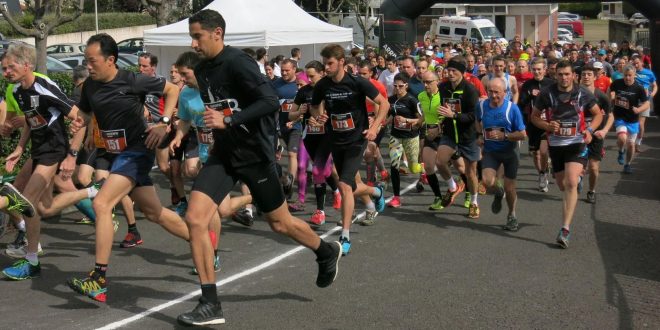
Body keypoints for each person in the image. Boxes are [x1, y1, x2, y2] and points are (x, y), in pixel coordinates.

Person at [178, 11, 342, 325]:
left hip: (255, 156)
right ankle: (210, 303)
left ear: (217, 33)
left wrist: (228, 120)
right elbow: (218, 106)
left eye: (197, 35)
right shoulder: (201, 69)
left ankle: (324, 251)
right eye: (192, 36)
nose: (193, 42)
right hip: (224, 155)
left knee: (280, 224)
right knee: (195, 218)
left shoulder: (238, 62)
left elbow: (268, 101)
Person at [66, 33, 191, 302]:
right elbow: (86, 113)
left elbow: (172, 90)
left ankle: (98, 279)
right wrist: (81, 124)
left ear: (110, 60)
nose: (88, 65)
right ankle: (204, 242)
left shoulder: (132, 80)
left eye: (92, 60)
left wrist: (164, 121)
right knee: (155, 213)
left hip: (136, 151)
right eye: (86, 60)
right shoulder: (89, 87)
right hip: (114, 154)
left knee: (101, 204)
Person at [0, 43, 91, 280]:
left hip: (54, 149)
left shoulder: (44, 87)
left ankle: (31, 260)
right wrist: (19, 149)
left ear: (27, 65)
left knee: (26, 202)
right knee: (44, 207)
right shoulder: (19, 92)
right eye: (3, 69)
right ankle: (90, 192)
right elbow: (32, 122)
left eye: (10, 68)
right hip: (38, 150)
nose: (6, 72)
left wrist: (72, 154)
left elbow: (80, 118)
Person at [310, 44, 389, 250]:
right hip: (336, 139)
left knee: (344, 186)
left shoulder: (358, 82)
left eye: (330, 63)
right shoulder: (322, 85)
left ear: (342, 62)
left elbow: (384, 104)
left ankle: (344, 236)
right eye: (325, 63)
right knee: (350, 185)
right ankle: (377, 192)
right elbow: (314, 105)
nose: (326, 68)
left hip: (357, 140)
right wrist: (319, 115)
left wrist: (374, 128)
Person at [531, 60, 603, 249]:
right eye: (560, 74)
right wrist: (547, 125)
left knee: (570, 182)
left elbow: (598, 115)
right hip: (556, 144)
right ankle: (576, 182)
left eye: (567, 74)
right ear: (555, 75)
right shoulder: (547, 93)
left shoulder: (583, 93)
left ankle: (565, 229)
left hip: (576, 142)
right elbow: (534, 117)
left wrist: (589, 130)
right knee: (563, 185)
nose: (563, 78)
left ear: (573, 75)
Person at [286, 60, 341, 225]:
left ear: (322, 73)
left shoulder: (331, 89)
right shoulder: (304, 91)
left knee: (317, 170)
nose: (309, 79)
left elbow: (340, 111)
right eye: (307, 76)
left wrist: (326, 119)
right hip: (309, 135)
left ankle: (319, 212)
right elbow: (290, 115)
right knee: (324, 170)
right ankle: (337, 191)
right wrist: (299, 113)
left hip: (327, 135)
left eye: (312, 76)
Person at [475, 78, 526, 230]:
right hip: (491, 151)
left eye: (497, 92)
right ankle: (498, 192)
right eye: (490, 91)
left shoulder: (512, 109)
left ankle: (511, 215)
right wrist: (479, 135)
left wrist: (506, 136)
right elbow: (478, 121)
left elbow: (522, 134)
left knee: (510, 188)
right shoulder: (482, 106)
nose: (493, 95)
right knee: (486, 182)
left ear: (505, 92)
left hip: (510, 152)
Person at [434, 56, 481, 218]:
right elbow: (442, 108)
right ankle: (453, 187)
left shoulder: (470, 90)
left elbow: (472, 116)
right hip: (449, 134)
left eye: (454, 71)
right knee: (439, 161)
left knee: (470, 173)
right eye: (449, 70)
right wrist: (440, 123)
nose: (450, 73)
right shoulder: (443, 87)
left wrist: (453, 115)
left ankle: (474, 202)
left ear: (462, 72)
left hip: (467, 136)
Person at [518, 58, 554, 192]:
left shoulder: (551, 84)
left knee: (544, 151)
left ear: (545, 70)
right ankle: (541, 173)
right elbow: (521, 103)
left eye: (539, 69)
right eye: (534, 69)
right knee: (536, 153)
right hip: (533, 122)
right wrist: (529, 96)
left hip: (547, 122)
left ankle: (545, 171)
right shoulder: (527, 85)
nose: (537, 72)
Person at [386, 73, 422, 208]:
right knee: (394, 165)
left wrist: (407, 120)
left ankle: (423, 170)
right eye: (395, 86)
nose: (397, 88)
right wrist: (382, 124)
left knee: (414, 168)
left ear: (406, 86)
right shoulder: (391, 99)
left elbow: (420, 120)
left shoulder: (412, 100)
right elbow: (391, 116)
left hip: (411, 137)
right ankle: (396, 197)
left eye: (400, 86)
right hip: (395, 136)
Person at [579, 63, 613, 203]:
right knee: (578, 166)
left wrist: (604, 130)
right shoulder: (576, 93)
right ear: (580, 77)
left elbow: (611, 115)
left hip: (596, 134)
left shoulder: (601, 96)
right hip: (579, 134)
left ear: (595, 77)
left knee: (593, 167)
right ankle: (578, 178)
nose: (586, 77)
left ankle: (591, 191)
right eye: (584, 74)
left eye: (589, 74)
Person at [610, 64, 649, 174]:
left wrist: (639, 109)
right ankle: (621, 151)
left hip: (632, 119)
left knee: (631, 144)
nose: (627, 78)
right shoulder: (617, 83)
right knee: (622, 138)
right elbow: (610, 90)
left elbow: (647, 103)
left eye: (630, 75)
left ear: (634, 75)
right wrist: (611, 98)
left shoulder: (638, 88)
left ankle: (628, 164)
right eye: (625, 75)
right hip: (619, 116)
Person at [631, 55, 657, 151]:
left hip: (644, 102)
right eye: (634, 63)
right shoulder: (631, 73)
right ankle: (631, 142)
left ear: (642, 62)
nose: (636, 65)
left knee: (640, 125)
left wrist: (652, 95)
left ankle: (637, 143)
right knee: (632, 123)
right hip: (632, 101)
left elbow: (655, 86)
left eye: (637, 63)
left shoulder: (649, 73)